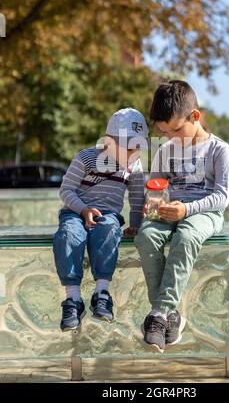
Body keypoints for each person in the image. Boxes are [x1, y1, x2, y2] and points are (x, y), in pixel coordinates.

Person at [135, 80, 229, 353]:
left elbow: (222, 198)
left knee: (186, 236)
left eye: (177, 130)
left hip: (204, 211)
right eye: (165, 132)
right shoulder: (166, 150)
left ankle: (158, 314)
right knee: (146, 236)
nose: (171, 138)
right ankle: (170, 317)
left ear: (195, 116)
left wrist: (187, 210)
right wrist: (153, 204)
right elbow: (155, 186)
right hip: (170, 211)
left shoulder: (219, 150)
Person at [53, 108, 148, 332]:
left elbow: (137, 197)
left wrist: (136, 224)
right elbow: (66, 190)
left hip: (108, 214)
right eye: (127, 147)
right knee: (68, 235)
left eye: (137, 147)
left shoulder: (134, 166)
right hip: (76, 211)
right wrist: (83, 210)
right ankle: (73, 299)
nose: (132, 153)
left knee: (108, 230)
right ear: (108, 142)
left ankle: (102, 292)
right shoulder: (85, 158)